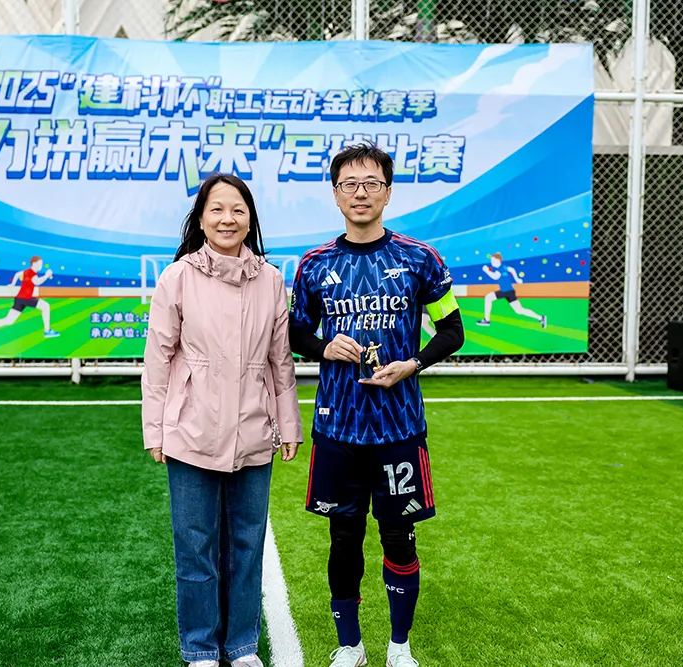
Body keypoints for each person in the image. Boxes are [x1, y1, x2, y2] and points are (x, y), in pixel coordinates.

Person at [288, 143, 465, 667]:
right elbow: (295, 332)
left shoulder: (420, 258)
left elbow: (452, 330)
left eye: (371, 183)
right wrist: (324, 347)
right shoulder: (315, 264)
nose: (360, 193)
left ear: (388, 192)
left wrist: (413, 363)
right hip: (337, 428)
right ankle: (350, 647)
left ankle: (399, 647)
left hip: (399, 429)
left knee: (399, 539)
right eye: (350, 184)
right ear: (335, 194)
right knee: (343, 540)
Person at [141, 173, 303, 667]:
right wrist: (155, 429)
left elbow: (280, 361)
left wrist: (289, 425)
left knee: (247, 545)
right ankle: (200, 648)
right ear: (201, 218)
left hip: (253, 431)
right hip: (190, 432)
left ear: (250, 219)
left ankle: (242, 646)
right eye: (217, 209)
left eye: (237, 210)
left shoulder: (270, 280)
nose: (227, 219)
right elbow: (158, 360)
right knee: (195, 547)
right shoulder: (178, 277)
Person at [0, 256, 60, 341]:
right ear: (34, 263)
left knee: (9, 320)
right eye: (40, 264)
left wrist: (13, 284)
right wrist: (47, 275)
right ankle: (47, 331)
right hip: (26, 298)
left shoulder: (26, 271)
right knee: (46, 306)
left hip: (20, 299)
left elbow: (17, 274)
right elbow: (37, 282)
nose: (41, 266)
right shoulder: (31, 273)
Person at [476, 252, 547, 328]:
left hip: (505, 291)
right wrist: (517, 279)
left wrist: (486, 270)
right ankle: (541, 318)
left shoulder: (499, 270)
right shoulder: (504, 267)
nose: (491, 262)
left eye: (493, 261)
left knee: (488, 297)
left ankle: (487, 320)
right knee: (519, 310)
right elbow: (512, 269)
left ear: (498, 260)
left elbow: (495, 277)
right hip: (510, 291)